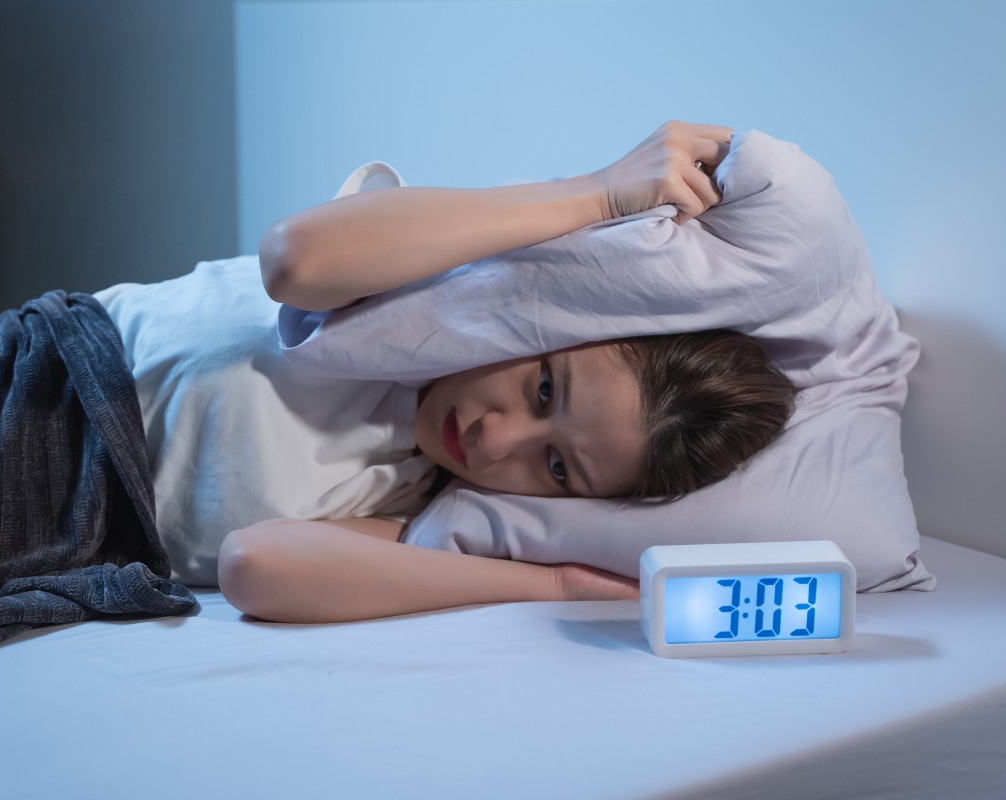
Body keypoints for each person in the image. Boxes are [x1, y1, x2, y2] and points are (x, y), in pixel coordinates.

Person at [215, 121, 795, 623]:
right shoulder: (400, 285)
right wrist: (603, 193)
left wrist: (555, 585)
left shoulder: (412, 504)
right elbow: (293, 259)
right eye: (543, 389)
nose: (493, 440)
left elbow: (253, 566)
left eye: (557, 467)